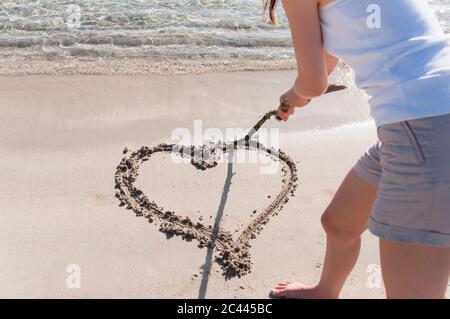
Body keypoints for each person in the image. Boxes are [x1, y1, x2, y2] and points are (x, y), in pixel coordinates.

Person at [267, 0, 450, 299]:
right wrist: (292, 97)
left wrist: (297, 94)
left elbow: (312, 83)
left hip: (420, 125)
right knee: (339, 223)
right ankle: (326, 291)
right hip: (422, 120)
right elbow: (323, 67)